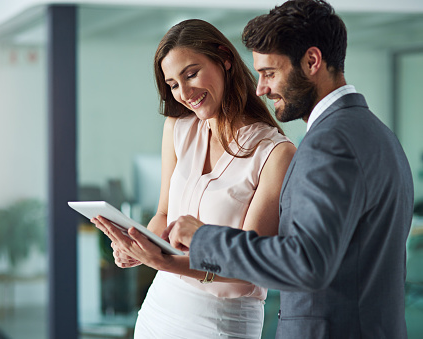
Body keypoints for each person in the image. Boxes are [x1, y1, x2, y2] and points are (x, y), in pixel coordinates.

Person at [166, 1, 415, 338]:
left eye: (270, 72)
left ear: (312, 61)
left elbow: (306, 262)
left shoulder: (330, 142)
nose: (261, 88)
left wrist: (202, 239)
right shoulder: (378, 134)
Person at [91, 19, 296, 338]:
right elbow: (163, 215)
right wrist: (138, 245)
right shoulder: (178, 127)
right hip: (160, 310)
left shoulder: (275, 153)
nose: (184, 93)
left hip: (221, 322)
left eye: (191, 74)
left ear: (225, 59)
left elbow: (250, 270)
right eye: (173, 84)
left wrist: (163, 261)